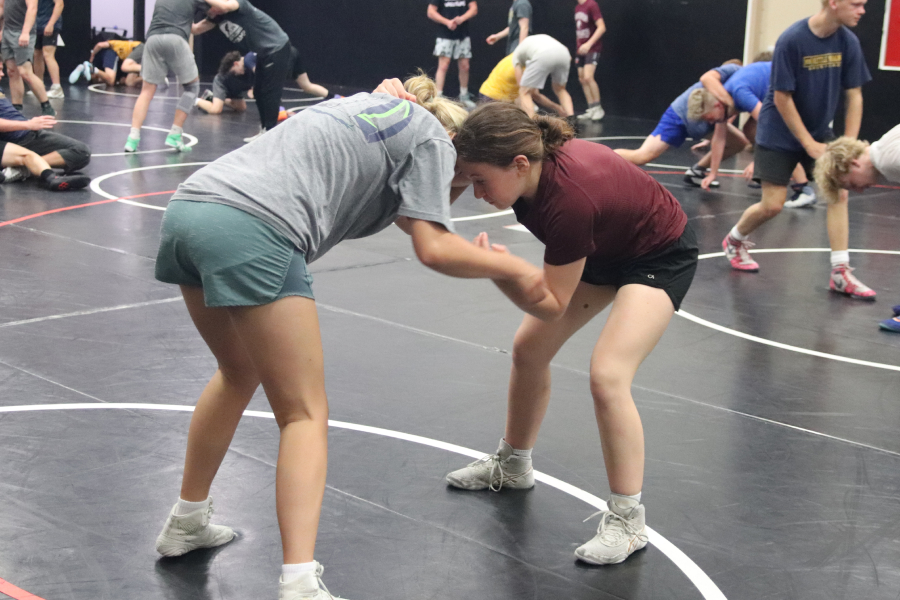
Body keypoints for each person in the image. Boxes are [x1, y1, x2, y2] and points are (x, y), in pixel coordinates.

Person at [151, 74, 547, 600]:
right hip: (254, 227)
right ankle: (298, 584)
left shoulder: (374, 109)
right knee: (304, 414)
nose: (456, 193)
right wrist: (515, 271)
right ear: (452, 151)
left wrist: (471, 253)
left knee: (237, 371)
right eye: (459, 182)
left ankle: (187, 520)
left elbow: (414, 220)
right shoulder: (432, 140)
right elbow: (432, 246)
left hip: (189, 210)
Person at [446, 102, 699, 566]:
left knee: (607, 374)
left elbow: (551, 302)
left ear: (519, 165)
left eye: (480, 180)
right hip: (604, 246)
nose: (474, 192)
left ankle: (628, 520)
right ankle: (513, 463)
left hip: (657, 255)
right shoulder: (521, 164)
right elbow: (445, 189)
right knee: (528, 349)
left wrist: (500, 270)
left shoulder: (569, 201)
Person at [721, 0, 873, 301]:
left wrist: (849, 147)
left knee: (838, 192)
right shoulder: (792, 39)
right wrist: (808, 144)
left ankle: (840, 272)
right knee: (773, 205)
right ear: (834, 3)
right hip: (779, 133)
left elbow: (854, 94)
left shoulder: (848, 41)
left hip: (819, 130)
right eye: (856, 4)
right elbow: (782, 98)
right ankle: (734, 240)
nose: (862, 10)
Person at [688, 58, 817, 206]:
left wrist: (758, 161)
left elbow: (769, 124)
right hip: (778, 86)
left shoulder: (739, 93)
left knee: (779, 138)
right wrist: (712, 173)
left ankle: (803, 190)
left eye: (709, 118)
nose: (710, 123)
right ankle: (775, 176)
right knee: (750, 130)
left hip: (792, 84)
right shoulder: (723, 100)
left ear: (717, 105)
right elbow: (719, 139)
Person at [814, 126, 900, 327]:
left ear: (853, 164)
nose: (858, 191)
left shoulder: (889, 160)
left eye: (851, 184)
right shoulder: (885, 147)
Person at [192, 0, 295, 143]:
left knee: (269, 92)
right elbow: (195, 29)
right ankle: (265, 130)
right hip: (263, 53)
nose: (213, 13)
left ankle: (270, 135)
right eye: (209, 13)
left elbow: (225, 6)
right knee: (258, 91)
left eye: (213, 9)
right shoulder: (217, 19)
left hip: (276, 47)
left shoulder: (239, 5)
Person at [615, 61, 741, 173]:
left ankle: (697, 170)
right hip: (679, 115)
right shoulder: (733, 74)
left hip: (705, 121)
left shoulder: (741, 90)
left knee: (739, 142)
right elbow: (706, 78)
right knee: (643, 156)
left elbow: (722, 128)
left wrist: (713, 172)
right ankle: (600, 158)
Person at [124, 0, 205, 153]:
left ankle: (132, 139)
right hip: (175, 39)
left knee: (146, 92)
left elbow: (193, 28)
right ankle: (175, 134)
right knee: (191, 87)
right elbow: (219, 9)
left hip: (153, 39)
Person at [0, 93, 89, 189]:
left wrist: (29, 125)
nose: (2, 76)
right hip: (16, 138)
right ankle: (38, 170)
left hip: (28, 133)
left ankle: (22, 169)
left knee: (81, 152)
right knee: (28, 155)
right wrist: (28, 124)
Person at [0, 0, 56, 116]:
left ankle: (46, 105)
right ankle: (17, 108)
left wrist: (25, 32)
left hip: (23, 32)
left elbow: (32, 9)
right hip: (7, 32)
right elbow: (2, 7)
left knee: (25, 72)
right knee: (12, 71)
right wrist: (2, 29)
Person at [478, 53, 568, 116]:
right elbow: (535, 95)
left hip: (485, 94)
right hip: (494, 101)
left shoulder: (516, 56)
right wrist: (557, 108)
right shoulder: (524, 68)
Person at [428, 0, 477, 108]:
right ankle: (438, 96)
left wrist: (461, 19)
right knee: (443, 65)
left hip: (463, 35)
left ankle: (464, 96)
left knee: (465, 66)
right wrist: (447, 22)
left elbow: (474, 8)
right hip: (444, 35)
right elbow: (431, 12)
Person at [511, 34, 574, 118]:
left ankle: (532, 122)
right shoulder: (539, 39)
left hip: (543, 54)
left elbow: (520, 84)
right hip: (564, 53)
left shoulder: (515, 55)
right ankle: (571, 118)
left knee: (524, 92)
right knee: (560, 89)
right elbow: (567, 54)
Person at [574, 0, 605, 121]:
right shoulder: (577, 8)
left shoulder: (591, 4)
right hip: (581, 49)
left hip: (592, 48)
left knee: (588, 77)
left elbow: (602, 27)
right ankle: (591, 108)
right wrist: (579, 47)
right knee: (582, 78)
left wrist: (589, 44)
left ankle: (598, 108)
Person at [73, 39, 142, 87]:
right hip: (111, 54)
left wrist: (92, 55)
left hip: (103, 57)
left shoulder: (116, 46)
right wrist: (92, 55)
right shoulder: (113, 44)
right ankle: (91, 69)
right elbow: (100, 45)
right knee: (112, 79)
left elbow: (124, 81)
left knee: (128, 81)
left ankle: (86, 69)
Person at [32, 0, 63, 98]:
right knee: (37, 54)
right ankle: (39, 86)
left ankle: (57, 88)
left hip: (49, 24)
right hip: (37, 24)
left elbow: (59, 4)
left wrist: (51, 24)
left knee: (48, 54)